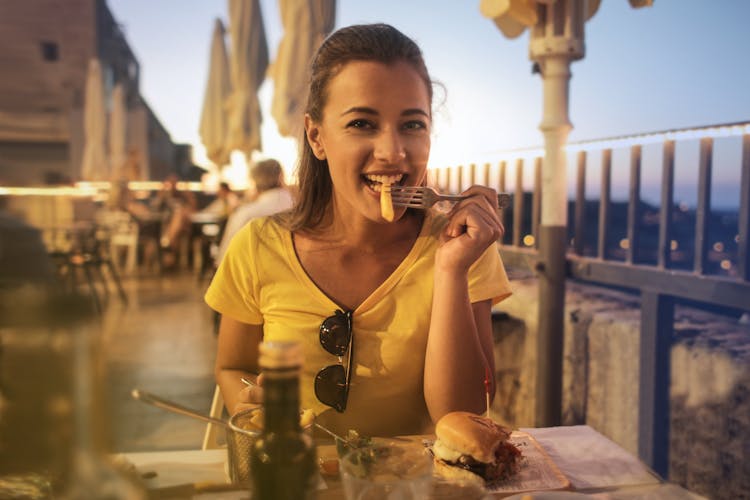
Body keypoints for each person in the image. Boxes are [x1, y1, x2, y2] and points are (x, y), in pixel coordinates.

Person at [205, 23, 511, 437]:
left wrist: (450, 271)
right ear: (317, 137)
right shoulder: (258, 246)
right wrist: (245, 398)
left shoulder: (461, 248)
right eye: (362, 124)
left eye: (413, 125)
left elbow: (461, 417)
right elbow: (231, 366)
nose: (393, 152)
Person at [214, 159, 294, 265]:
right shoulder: (298, 208)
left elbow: (225, 259)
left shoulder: (246, 214)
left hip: (253, 276)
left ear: (255, 181)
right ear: (281, 176)